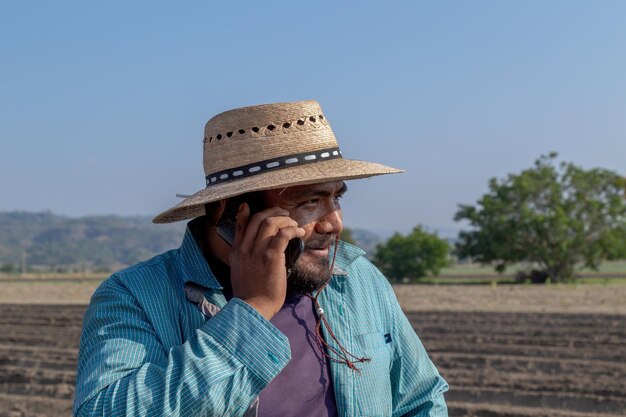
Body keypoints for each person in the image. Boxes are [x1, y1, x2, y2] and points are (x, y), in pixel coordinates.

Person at [73, 100, 448, 416]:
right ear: (233, 214)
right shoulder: (134, 296)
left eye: (337, 198)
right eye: (310, 202)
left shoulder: (358, 278)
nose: (334, 223)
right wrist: (253, 309)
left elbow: (421, 400)